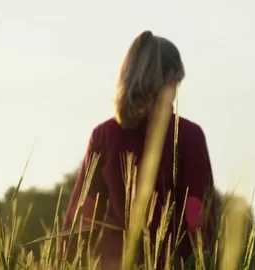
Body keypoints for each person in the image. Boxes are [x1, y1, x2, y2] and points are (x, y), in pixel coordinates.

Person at [60, 30, 217, 269]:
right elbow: (197, 213)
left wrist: (63, 263)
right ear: (169, 78)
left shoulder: (104, 135)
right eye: (177, 83)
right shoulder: (189, 135)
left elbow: (82, 217)